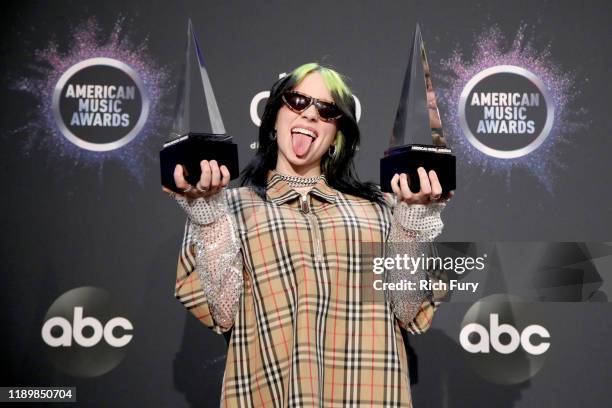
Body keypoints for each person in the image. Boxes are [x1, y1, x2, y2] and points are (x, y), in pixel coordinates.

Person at [165, 62, 450, 407]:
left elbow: (406, 310)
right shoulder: (227, 207)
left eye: (327, 110)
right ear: (273, 118)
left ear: (337, 135)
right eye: (297, 102)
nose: (311, 115)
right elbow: (223, 313)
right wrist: (209, 217)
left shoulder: (380, 209)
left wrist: (413, 219)